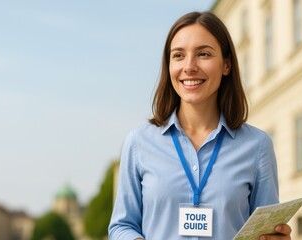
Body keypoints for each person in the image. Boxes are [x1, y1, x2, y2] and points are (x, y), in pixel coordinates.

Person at [108, 11, 292, 240]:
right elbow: (121, 226)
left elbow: (265, 229)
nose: (189, 66)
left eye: (203, 54)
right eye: (178, 56)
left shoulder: (257, 146)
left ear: (226, 65)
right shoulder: (138, 143)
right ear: (169, 66)